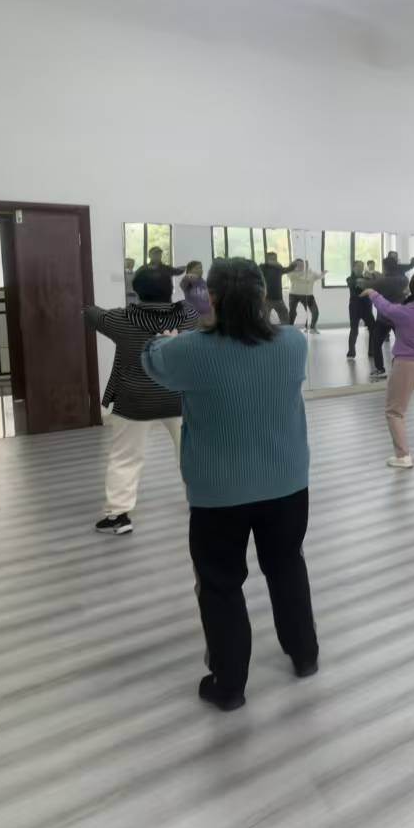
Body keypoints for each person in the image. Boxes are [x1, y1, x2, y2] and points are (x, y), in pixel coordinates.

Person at [141, 258, 318, 712]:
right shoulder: (293, 342)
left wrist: (196, 321)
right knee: (287, 566)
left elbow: (151, 359)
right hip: (286, 482)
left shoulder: (189, 350)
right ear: (264, 296)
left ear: (212, 296)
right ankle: (304, 655)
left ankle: (230, 684)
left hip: (218, 492)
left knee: (220, 584)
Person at [82, 268, 201, 535]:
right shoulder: (189, 315)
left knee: (125, 457)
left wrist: (84, 305)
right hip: (178, 396)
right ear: (170, 290)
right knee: (190, 453)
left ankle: (118, 516)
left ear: (136, 292)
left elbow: (92, 314)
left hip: (134, 399)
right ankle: (201, 503)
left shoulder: (121, 319)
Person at [362, 270, 414, 469]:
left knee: (395, 411)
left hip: (407, 365)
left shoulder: (402, 312)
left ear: (410, 289)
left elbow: (385, 307)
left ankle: (403, 456)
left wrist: (372, 292)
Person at [345, 258, 382, 374]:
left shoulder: (367, 278)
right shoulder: (349, 279)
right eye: (358, 266)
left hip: (366, 308)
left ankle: (371, 351)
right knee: (354, 330)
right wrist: (368, 279)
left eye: (362, 266)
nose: (361, 268)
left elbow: (376, 283)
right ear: (353, 268)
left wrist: (372, 277)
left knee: (373, 328)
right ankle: (351, 351)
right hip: (355, 308)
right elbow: (356, 284)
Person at [286, 258, 325, 332]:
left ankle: (311, 328)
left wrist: (323, 274)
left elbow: (317, 277)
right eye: (298, 264)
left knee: (315, 312)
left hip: (308, 295)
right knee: (292, 313)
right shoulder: (291, 272)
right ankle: (290, 328)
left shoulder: (310, 272)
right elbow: (298, 278)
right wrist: (306, 270)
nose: (300, 266)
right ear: (294, 265)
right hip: (294, 295)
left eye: (302, 264)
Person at [260, 252, 292, 325]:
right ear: (267, 259)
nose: (273, 259)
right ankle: (264, 330)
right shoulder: (263, 267)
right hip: (267, 299)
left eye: (274, 258)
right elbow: (258, 269)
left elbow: (287, 269)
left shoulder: (278, 268)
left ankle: (286, 329)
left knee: (285, 317)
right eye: (271, 258)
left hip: (278, 299)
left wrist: (294, 265)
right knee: (264, 319)